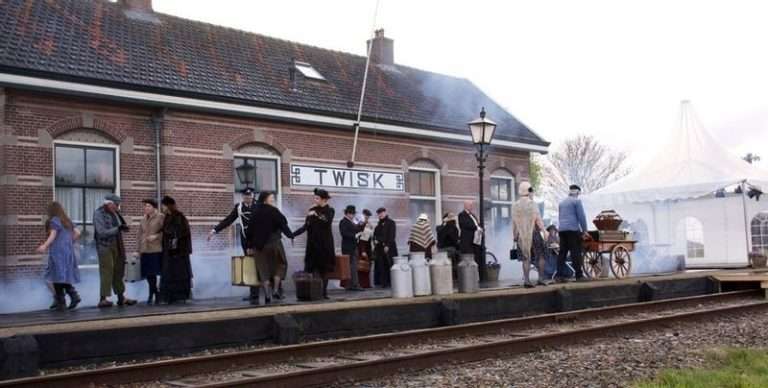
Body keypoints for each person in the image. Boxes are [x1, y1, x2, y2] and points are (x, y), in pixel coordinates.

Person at [209, 187, 259, 302]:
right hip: (246, 241)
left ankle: (271, 291)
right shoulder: (239, 207)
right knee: (250, 266)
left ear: (253, 196)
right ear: (243, 197)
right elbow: (228, 220)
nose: (248, 197)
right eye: (246, 195)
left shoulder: (259, 206)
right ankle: (253, 294)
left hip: (257, 240)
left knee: (259, 265)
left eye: (250, 195)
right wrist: (214, 230)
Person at [245, 192, 293, 304]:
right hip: (274, 243)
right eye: (271, 198)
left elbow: (249, 231)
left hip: (259, 246)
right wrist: (290, 235)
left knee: (262, 270)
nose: (273, 199)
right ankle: (275, 290)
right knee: (280, 264)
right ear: (265, 200)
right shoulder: (274, 211)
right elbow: (283, 224)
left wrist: (249, 246)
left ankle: (267, 295)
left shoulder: (255, 212)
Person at [36, 202, 81, 310]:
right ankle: (70, 297)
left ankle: (64, 301)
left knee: (56, 276)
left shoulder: (54, 220)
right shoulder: (67, 221)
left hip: (58, 252)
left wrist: (44, 245)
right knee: (61, 276)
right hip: (68, 251)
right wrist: (69, 242)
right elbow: (78, 233)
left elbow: (53, 235)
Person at [93, 194, 136, 308]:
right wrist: (118, 228)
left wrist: (123, 227)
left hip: (117, 244)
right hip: (105, 246)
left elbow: (118, 227)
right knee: (107, 271)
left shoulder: (115, 213)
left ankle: (121, 298)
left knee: (118, 271)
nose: (117, 207)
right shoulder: (98, 214)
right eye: (116, 205)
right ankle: (103, 299)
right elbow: (101, 232)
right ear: (109, 203)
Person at [293, 188, 336, 299]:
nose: (315, 200)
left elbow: (326, 221)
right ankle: (314, 291)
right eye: (315, 197)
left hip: (324, 245)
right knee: (311, 268)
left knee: (324, 269)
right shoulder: (312, 210)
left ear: (324, 199)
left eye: (317, 198)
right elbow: (306, 226)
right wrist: (293, 234)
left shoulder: (330, 210)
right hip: (312, 244)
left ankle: (324, 292)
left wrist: (315, 214)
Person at [512, 182, 548, 288]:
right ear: (528, 190)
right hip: (533, 233)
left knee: (525, 258)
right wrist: (544, 231)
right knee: (541, 256)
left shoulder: (515, 205)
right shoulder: (532, 204)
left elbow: (514, 222)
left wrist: (514, 235)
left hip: (521, 235)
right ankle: (540, 278)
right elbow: (538, 220)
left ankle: (527, 280)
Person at [160, 196, 193, 303]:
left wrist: (169, 234)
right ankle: (172, 296)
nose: (162, 208)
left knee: (179, 274)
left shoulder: (178, 216)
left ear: (168, 206)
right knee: (170, 274)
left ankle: (181, 296)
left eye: (163, 205)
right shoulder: (167, 217)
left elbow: (180, 232)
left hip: (178, 253)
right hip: (170, 252)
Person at [557, 184, 589, 282]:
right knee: (575, 252)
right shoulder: (577, 201)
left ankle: (559, 276)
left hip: (562, 230)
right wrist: (585, 230)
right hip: (572, 230)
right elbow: (581, 217)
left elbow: (560, 217)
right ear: (577, 192)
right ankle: (579, 275)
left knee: (562, 253)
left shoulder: (561, 203)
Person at [137, 198, 164, 305]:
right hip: (145, 249)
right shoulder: (142, 220)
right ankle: (155, 293)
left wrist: (156, 236)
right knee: (148, 274)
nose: (146, 208)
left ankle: (153, 295)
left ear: (154, 207)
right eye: (145, 206)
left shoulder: (160, 217)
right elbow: (139, 235)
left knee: (154, 273)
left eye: (148, 206)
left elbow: (165, 231)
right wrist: (137, 250)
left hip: (155, 249)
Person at [458, 200, 485, 281]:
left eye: (472, 205)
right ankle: (469, 278)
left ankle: (477, 277)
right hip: (467, 242)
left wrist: (480, 228)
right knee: (469, 259)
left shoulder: (473, 215)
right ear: (465, 205)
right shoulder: (461, 215)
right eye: (470, 205)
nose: (472, 207)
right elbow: (466, 224)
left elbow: (477, 224)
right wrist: (477, 228)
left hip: (476, 241)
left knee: (476, 259)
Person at [339, 205, 364, 291]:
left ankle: (350, 285)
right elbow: (344, 233)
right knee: (351, 267)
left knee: (352, 266)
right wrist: (355, 235)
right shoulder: (343, 222)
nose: (353, 215)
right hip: (348, 247)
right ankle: (354, 285)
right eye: (352, 213)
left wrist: (361, 225)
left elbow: (357, 230)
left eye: (353, 214)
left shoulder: (351, 222)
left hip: (353, 246)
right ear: (348, 213)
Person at [373, 207, 398, 288]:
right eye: (379, 214)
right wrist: (375, 240)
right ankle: (383, 283)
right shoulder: (378, 225)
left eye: (382, 213)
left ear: (385, 213)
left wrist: (387, 245)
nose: (380, 215)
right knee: (381, 266)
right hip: (380, 248)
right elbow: (375, 235)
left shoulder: (391, 223)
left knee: (390, 264)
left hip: (390, 248)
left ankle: (392, 282)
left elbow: (392, 235)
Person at [436, 212, 461, 278]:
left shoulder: (439, 228)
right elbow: (454, 241)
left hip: (440, 250)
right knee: (460, 254)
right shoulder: (453, 228)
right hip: (449, 249)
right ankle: (456, 274)